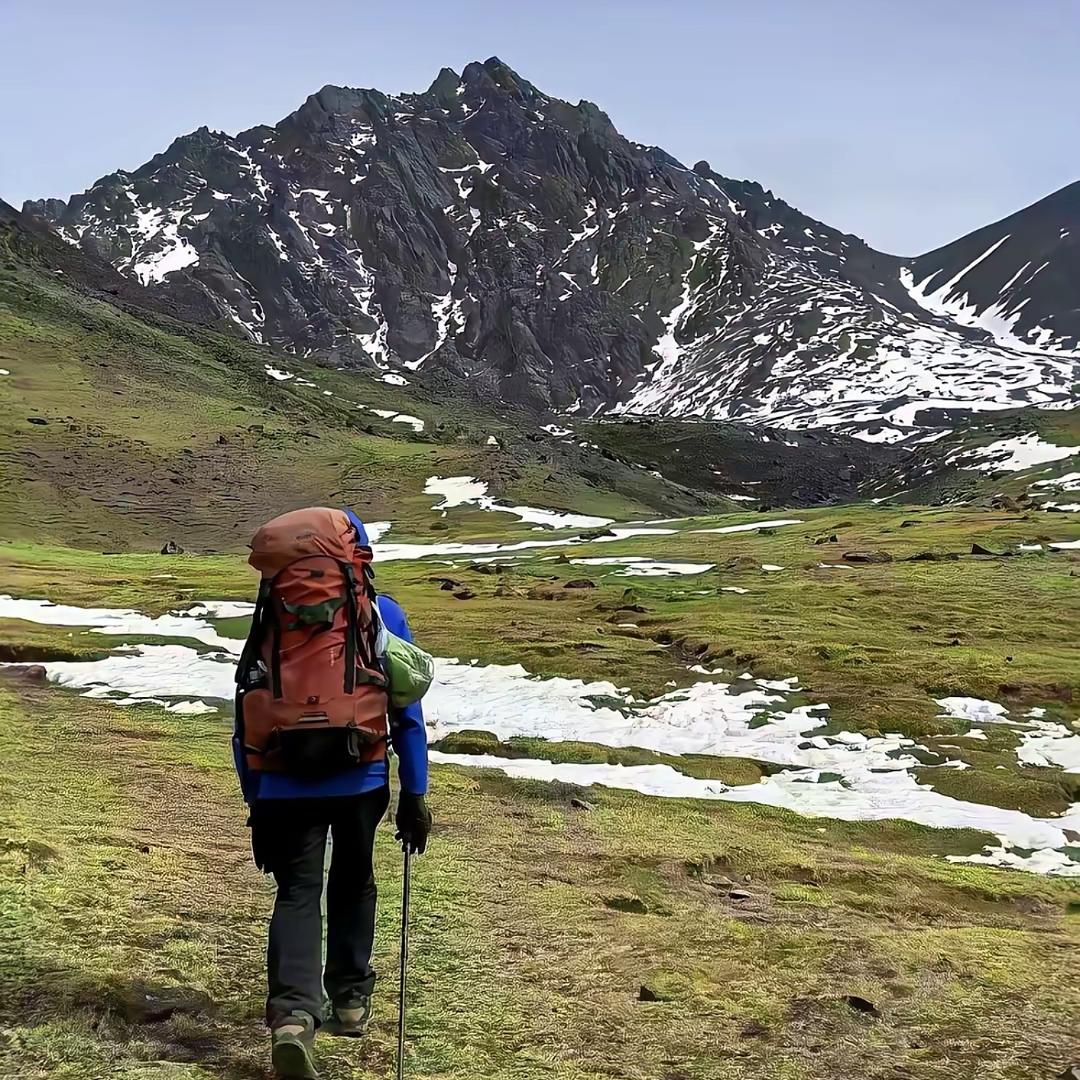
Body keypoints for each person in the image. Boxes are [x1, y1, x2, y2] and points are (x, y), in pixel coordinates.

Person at [233, 509, 431, 1080]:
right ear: (357, 559)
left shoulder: (273, 615)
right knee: (354, 878)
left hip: (282, 776)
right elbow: (406, 712)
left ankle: (294, 1017)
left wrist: (255, 801)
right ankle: (349, 998)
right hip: (360, 774)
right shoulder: (382, 613)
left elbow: (245, 708)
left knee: (297, 890)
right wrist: (414, 793)